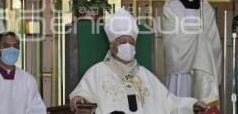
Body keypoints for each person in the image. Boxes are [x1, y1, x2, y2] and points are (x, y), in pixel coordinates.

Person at [69, 8, 207, 114]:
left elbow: (168, 102)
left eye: (131, 42)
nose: (127, 46)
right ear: (112, 45)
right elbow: (82, 94)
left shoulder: (145, 75)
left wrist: (191, 105)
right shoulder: (97, 72)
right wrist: (79, 99)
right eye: (122, 42)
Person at [162, 0, 221, 103]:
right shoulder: (171, 6)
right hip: (181, 70)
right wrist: (199, 38)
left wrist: (202, 44)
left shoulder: (206, 7)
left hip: (203, 68)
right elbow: (172, 39)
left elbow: (213, 40)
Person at [0, 31, 46, 114]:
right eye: (6, 46)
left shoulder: (27, 79)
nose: (12, 50)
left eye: (16, 46)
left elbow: (37, 110)